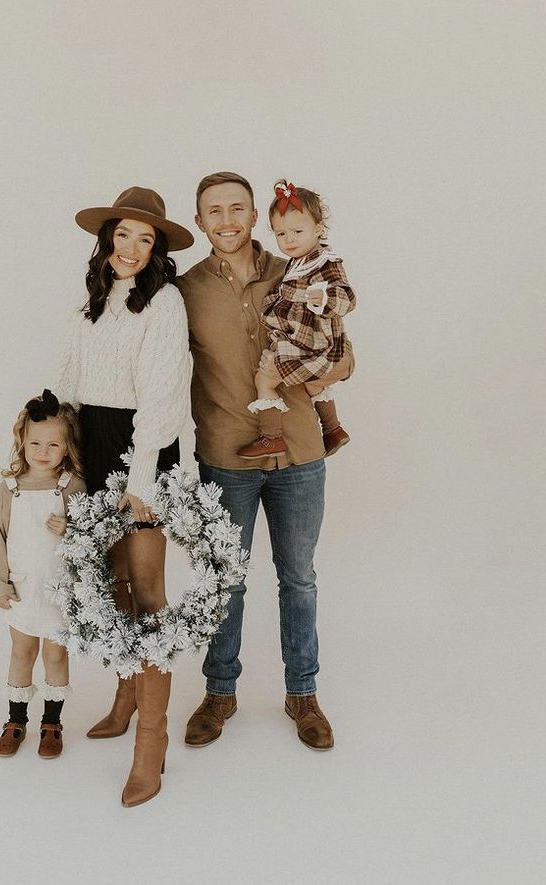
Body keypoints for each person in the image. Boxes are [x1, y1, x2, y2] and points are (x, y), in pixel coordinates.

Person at [177, 171, 350, 751]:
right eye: (214, 211)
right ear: (200, 222)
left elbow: (345, 355)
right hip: (226, 456)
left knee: (298, 578)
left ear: (256, 217)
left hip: (300, 453)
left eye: (237, 209)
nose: (227, 220)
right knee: (224, 580)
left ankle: (303, 693)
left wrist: (325, 371)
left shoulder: (296, 268)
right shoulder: (183, 290)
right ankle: (219, 693)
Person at [54, 186, 193, 806]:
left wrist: (139, 482)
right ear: (107, 240)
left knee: (149, 589)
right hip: (94, 438)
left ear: (156, 247)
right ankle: (125, 695)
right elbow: (69, 381)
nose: (132, 247)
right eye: (123, 235)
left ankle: (152, 741)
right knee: (111, 584)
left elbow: (162, 397)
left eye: (146, 238)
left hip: (144, 448)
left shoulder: (164, 302)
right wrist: (62, 453)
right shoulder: (89, 303)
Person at [0, 389, 86, 758]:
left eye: (53, 445)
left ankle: (52, 723)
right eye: (35, 443)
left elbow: (91, 537)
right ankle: (15, 721)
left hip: (59, 590)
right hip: (23, 589)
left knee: (56, 657)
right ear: (22, 442)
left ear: (66, 447)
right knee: (22, 651)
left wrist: (71, 529)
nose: (43, 452)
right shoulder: (8, 490)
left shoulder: (71, 486)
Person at [237, 179, 356, 459]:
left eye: (297, 231)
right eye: (280, 234)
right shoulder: (296, 262)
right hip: (306, 339)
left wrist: (325, 299)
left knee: (264, 380)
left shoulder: (325, 262)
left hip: (315, 343)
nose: (289, 240)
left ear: (318, 228)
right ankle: (333, 429)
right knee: (314, 383)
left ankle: (271, 437)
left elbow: (347, 298)